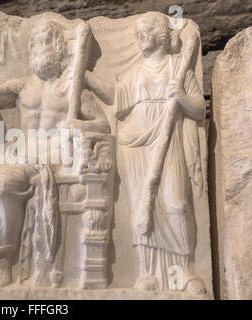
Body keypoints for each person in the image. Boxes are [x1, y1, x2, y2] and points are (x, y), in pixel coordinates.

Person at [0, 21, 110, 288]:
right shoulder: (23, 86)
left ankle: (3, 259)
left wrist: (80, 125)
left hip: (48, 159)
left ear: (58, 47)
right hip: (18, 153)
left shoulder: (72, 87)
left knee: (3, 184)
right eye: (34, 43)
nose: (36, 49)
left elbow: (102, 124)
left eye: (43, 42)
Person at [85, 12, 206, 294]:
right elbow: (116, 97)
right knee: (142, 207)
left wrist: (182, 98)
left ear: (163, 35)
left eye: (147, 31)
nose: (141, 36)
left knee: (177, 203)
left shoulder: (179, 67)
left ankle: (184, 272)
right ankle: (147, 271)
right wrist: (86, 76)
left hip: (168, 140)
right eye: (139, 32)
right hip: (134, 144)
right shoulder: (135, 73)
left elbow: (199, 109)